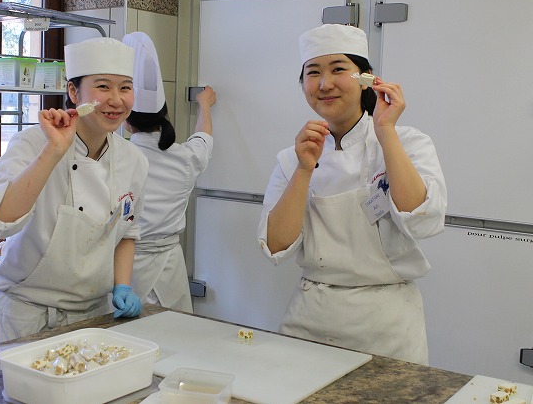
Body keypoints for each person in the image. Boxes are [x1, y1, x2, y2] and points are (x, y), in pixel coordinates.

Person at [257, 24, 446, 364]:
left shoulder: (407, 142)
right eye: (313, 73)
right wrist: (303, 169)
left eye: (338, 69)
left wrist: (385, 130)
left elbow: (423, 220)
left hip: (387, 324)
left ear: (366, 79)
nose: (324, 84)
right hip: (311, 317)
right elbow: (275, 247)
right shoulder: (292, 158)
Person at [0, 37, 148, 344]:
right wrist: (54, 150)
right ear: (73, 92)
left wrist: (123, 285)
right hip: (26, 314)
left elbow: (126, 232)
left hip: (93, 314)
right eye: (103, 87)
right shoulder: (33, 142)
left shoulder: (133, 160)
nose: (116, 100)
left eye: (125, 88)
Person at [122, 32, 216, 313]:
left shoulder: (118, 157)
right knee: (175, 333)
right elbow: (204, 136)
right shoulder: (185, 157)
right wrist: (204, 104)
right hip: (170, 265)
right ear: (165, 115)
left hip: (128, 268)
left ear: (126, 122)